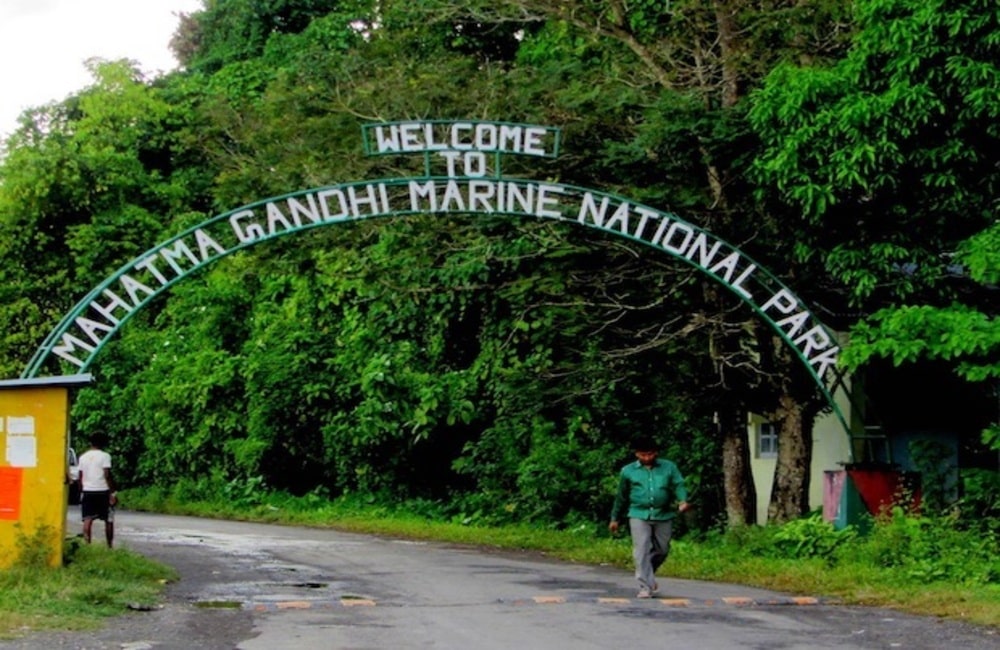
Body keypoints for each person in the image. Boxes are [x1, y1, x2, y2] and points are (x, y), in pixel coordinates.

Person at [609, 436, 689, 598]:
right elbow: (621, 496)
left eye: (650, 454)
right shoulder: (628, 471)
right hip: (638, 514)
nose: (647, 458)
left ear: (656, 453)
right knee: (642, 549)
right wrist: (614, 518)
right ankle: (645, 586)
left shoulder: (668, 467)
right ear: (637, 454)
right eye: (643, 455)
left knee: (662, 549)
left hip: (663, 514)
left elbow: (678, 484)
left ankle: (648, 573)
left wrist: (682, 500)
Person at [78, 432, 117, 548]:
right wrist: (113, 492)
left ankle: (87, 545)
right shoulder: (105, 456)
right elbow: (107, 475)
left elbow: (80, 476)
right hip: (103, 490)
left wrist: (82, 490)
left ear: (90, 442)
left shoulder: (83, 457)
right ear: (104, 443)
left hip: (88, 491)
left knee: (87, 519)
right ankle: (109, 546)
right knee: (108, 519)